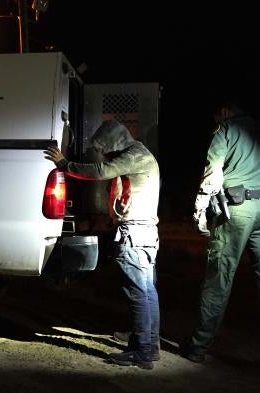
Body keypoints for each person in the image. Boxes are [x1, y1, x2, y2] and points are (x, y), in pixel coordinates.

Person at [181, 100, 260, 381]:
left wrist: (199, 211)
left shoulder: (224, 131)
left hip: (236, 210)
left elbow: (212, 173)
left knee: (219, 279)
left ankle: (198, 348)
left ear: (225, 112)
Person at [44, 120, 161, 370]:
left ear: (114, 143)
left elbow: (99, 171)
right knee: (148, 290)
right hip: (147, 232)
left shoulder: (132, 156)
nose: (105, 154)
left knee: (137, 292)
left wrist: (65, 165)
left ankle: (142, 352)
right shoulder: (142, 153)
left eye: (105, 148)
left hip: (135, 233)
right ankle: (150, 346)